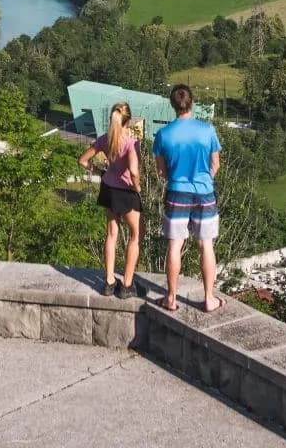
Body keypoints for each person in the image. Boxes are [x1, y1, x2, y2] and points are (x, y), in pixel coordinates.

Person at [152, 83, 222, 312]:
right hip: (204, 192)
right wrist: (203, 179)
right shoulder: (207, 130)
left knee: (174, 245)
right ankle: (209, 298)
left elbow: (162, 172)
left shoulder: (163, 135)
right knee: (206, 245)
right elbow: (215, 164)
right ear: (192, 103)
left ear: (173, 105)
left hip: (176, 192)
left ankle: (171, 298)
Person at [79, 100, 143, 298]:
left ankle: (108, 282)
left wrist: (100, 171)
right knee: (135, 235)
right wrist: (136, 186)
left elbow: (82, 160)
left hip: (108, 188)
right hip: (126, 191)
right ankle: (127, 285)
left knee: (111, 233)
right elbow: (133, 170)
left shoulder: (104, 139)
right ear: (129, 121)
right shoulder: (132, 144)